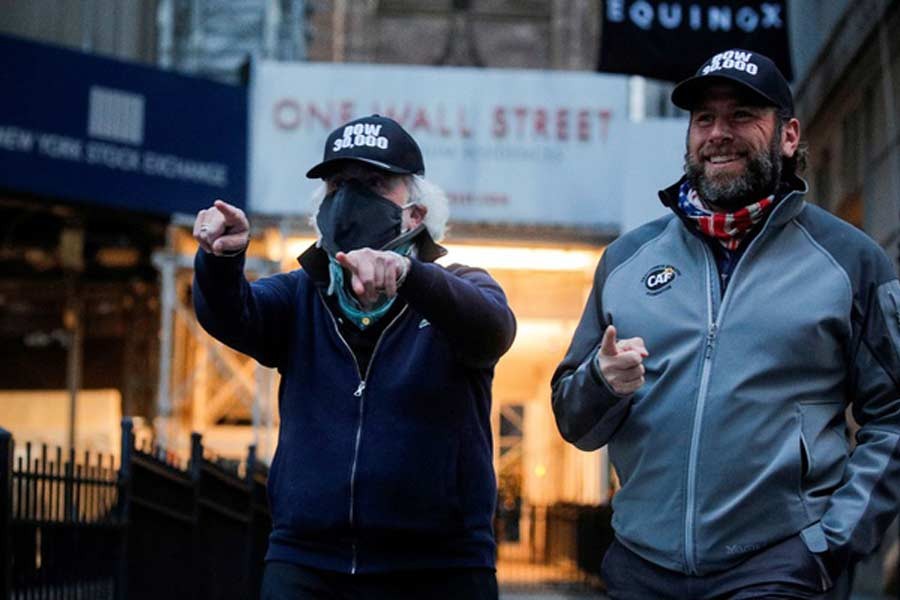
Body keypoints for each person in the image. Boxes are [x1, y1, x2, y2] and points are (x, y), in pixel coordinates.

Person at [552, 49, 900, 599]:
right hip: (642, 567)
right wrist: (600, 382)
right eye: (704, 119)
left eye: (742, 116)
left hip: (779, 565)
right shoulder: (627, 261)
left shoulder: (849, 261)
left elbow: (894, 415)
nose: (719, 133)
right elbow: (575, 422)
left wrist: (834, 541)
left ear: (788, 136)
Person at [192, 115, 516, 599]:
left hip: (439, 568)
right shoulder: (301, 295)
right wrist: (221, 261)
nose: (349, 197)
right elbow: (232, 315)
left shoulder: (461, 288)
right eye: (338, 184)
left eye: (375, 183)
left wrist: (410, 275)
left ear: (415, 214)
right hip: (306, 563)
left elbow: (492, 329)